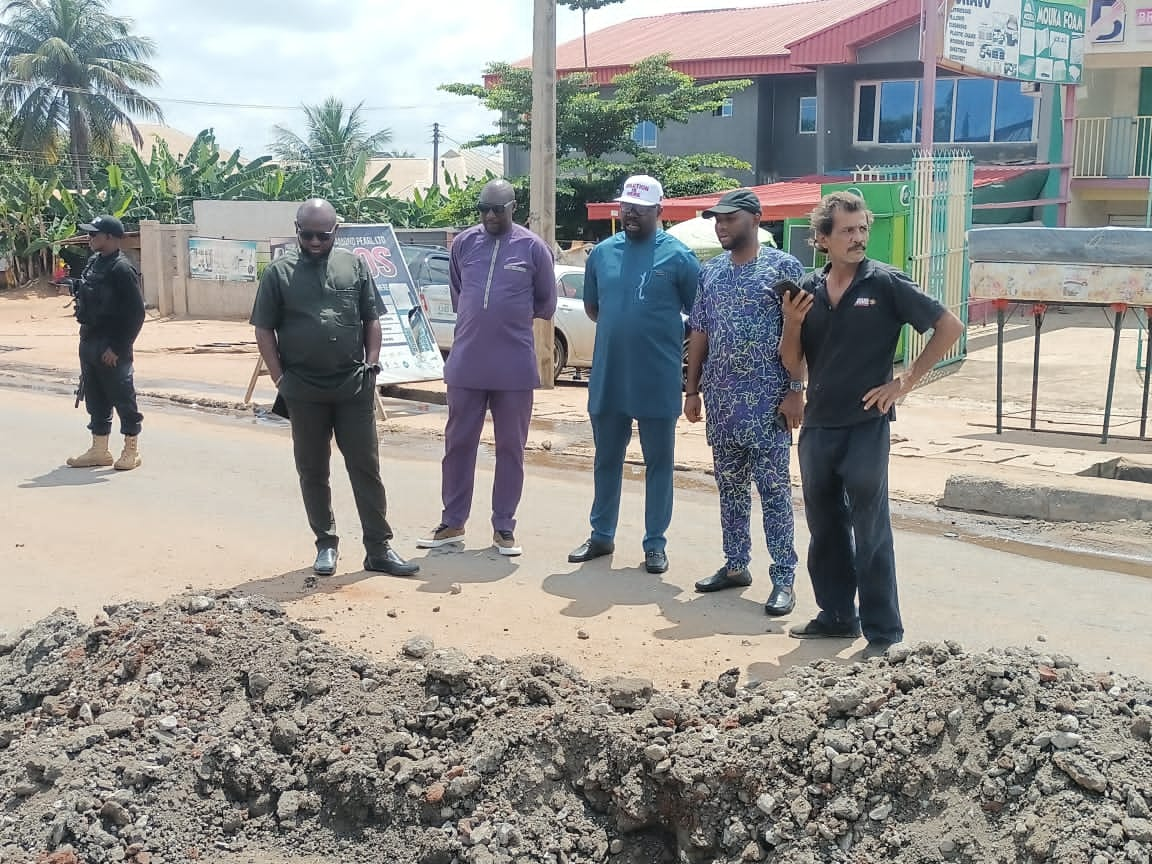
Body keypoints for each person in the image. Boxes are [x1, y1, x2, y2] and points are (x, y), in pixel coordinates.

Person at [779, 191, 963, 657]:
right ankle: (837, 616)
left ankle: (883, 631)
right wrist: (792, 323)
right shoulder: (807, 290)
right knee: (825, 525)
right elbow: (792, 362)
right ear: (822, 239)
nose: (858, 238)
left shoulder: (885, 283)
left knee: (871, 526)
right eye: (847, 230)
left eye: (862, 229)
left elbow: (949, 327)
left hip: (866, 423)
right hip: (819, 426)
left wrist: (904, 383)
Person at [250, 198, 418, 578]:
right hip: (303, 389)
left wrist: (372, 362)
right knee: (313, 469)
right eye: (306, 234)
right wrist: (280, 378)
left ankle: (378, 548)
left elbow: (371, 316)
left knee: (366, 467)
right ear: (297, 231)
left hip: (352, 386)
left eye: (321, 236)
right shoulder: (279, 273)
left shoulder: (353, 264)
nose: (313, 242)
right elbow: (263, 328)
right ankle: (325, 544)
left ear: (335, 232)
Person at [568, 175, 699, 574]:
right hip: (609, 376)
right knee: (607, 459)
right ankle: (601, 535)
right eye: (626, 207)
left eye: (640, 209)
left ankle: (655, 544)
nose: (630, 214)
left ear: (659, 210)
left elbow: (699, 318)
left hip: (657, 378)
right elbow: (594, 308)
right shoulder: (602, 253)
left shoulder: (679, 257)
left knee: (659, 463)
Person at [417, 179, 557, 556]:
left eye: (498, 208)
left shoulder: (533, 248)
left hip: (513, 365)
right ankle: (452, 523)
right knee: (458, 443)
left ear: (513, 208)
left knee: (511, 447)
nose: (490, 215)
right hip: (467, 362)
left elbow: (545, 303)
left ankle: (504, 527)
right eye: (483, 209)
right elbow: (458, 290)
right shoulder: (463, 243)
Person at [683, 190, 806, 616]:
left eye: (729, 219)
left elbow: (800, 333)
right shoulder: (710, 272)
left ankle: (784, 579)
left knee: (773, 492)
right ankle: (736, 564)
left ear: (755, 219)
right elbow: (699, 331)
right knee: (730, 489)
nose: (720, 226)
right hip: (722, 401)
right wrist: (692, 389)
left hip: (769, 402)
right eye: (716, 219)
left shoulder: (784, 267)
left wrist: (795, 389)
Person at [66, 215, 146, 471]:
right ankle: (99, 450)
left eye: (94, 234)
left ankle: (131, 450)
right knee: (95, 397)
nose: (89, 238)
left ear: (110, 237)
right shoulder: (93, 263)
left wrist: (118, 348)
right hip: (89, 340)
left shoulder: (122, 269)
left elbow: (136, 313)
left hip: (112, 345)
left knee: (122, 396)